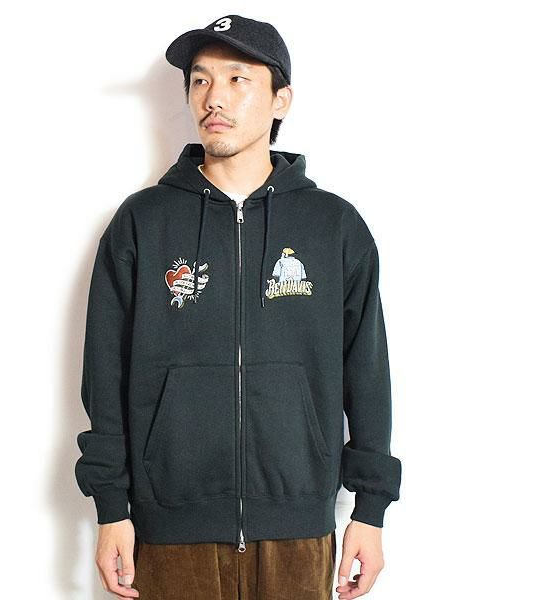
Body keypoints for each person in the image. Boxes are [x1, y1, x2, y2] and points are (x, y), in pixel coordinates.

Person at [74, 14, 402, 600]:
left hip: (299, 530)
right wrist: (110, 508)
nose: (213, 98)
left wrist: (370, 510)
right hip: (170, 529)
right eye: (200, 80)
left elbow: (368, 373)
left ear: (281, 100)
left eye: (236, 79)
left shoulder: (333, 227)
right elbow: (104, 371)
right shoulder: (142, 223)